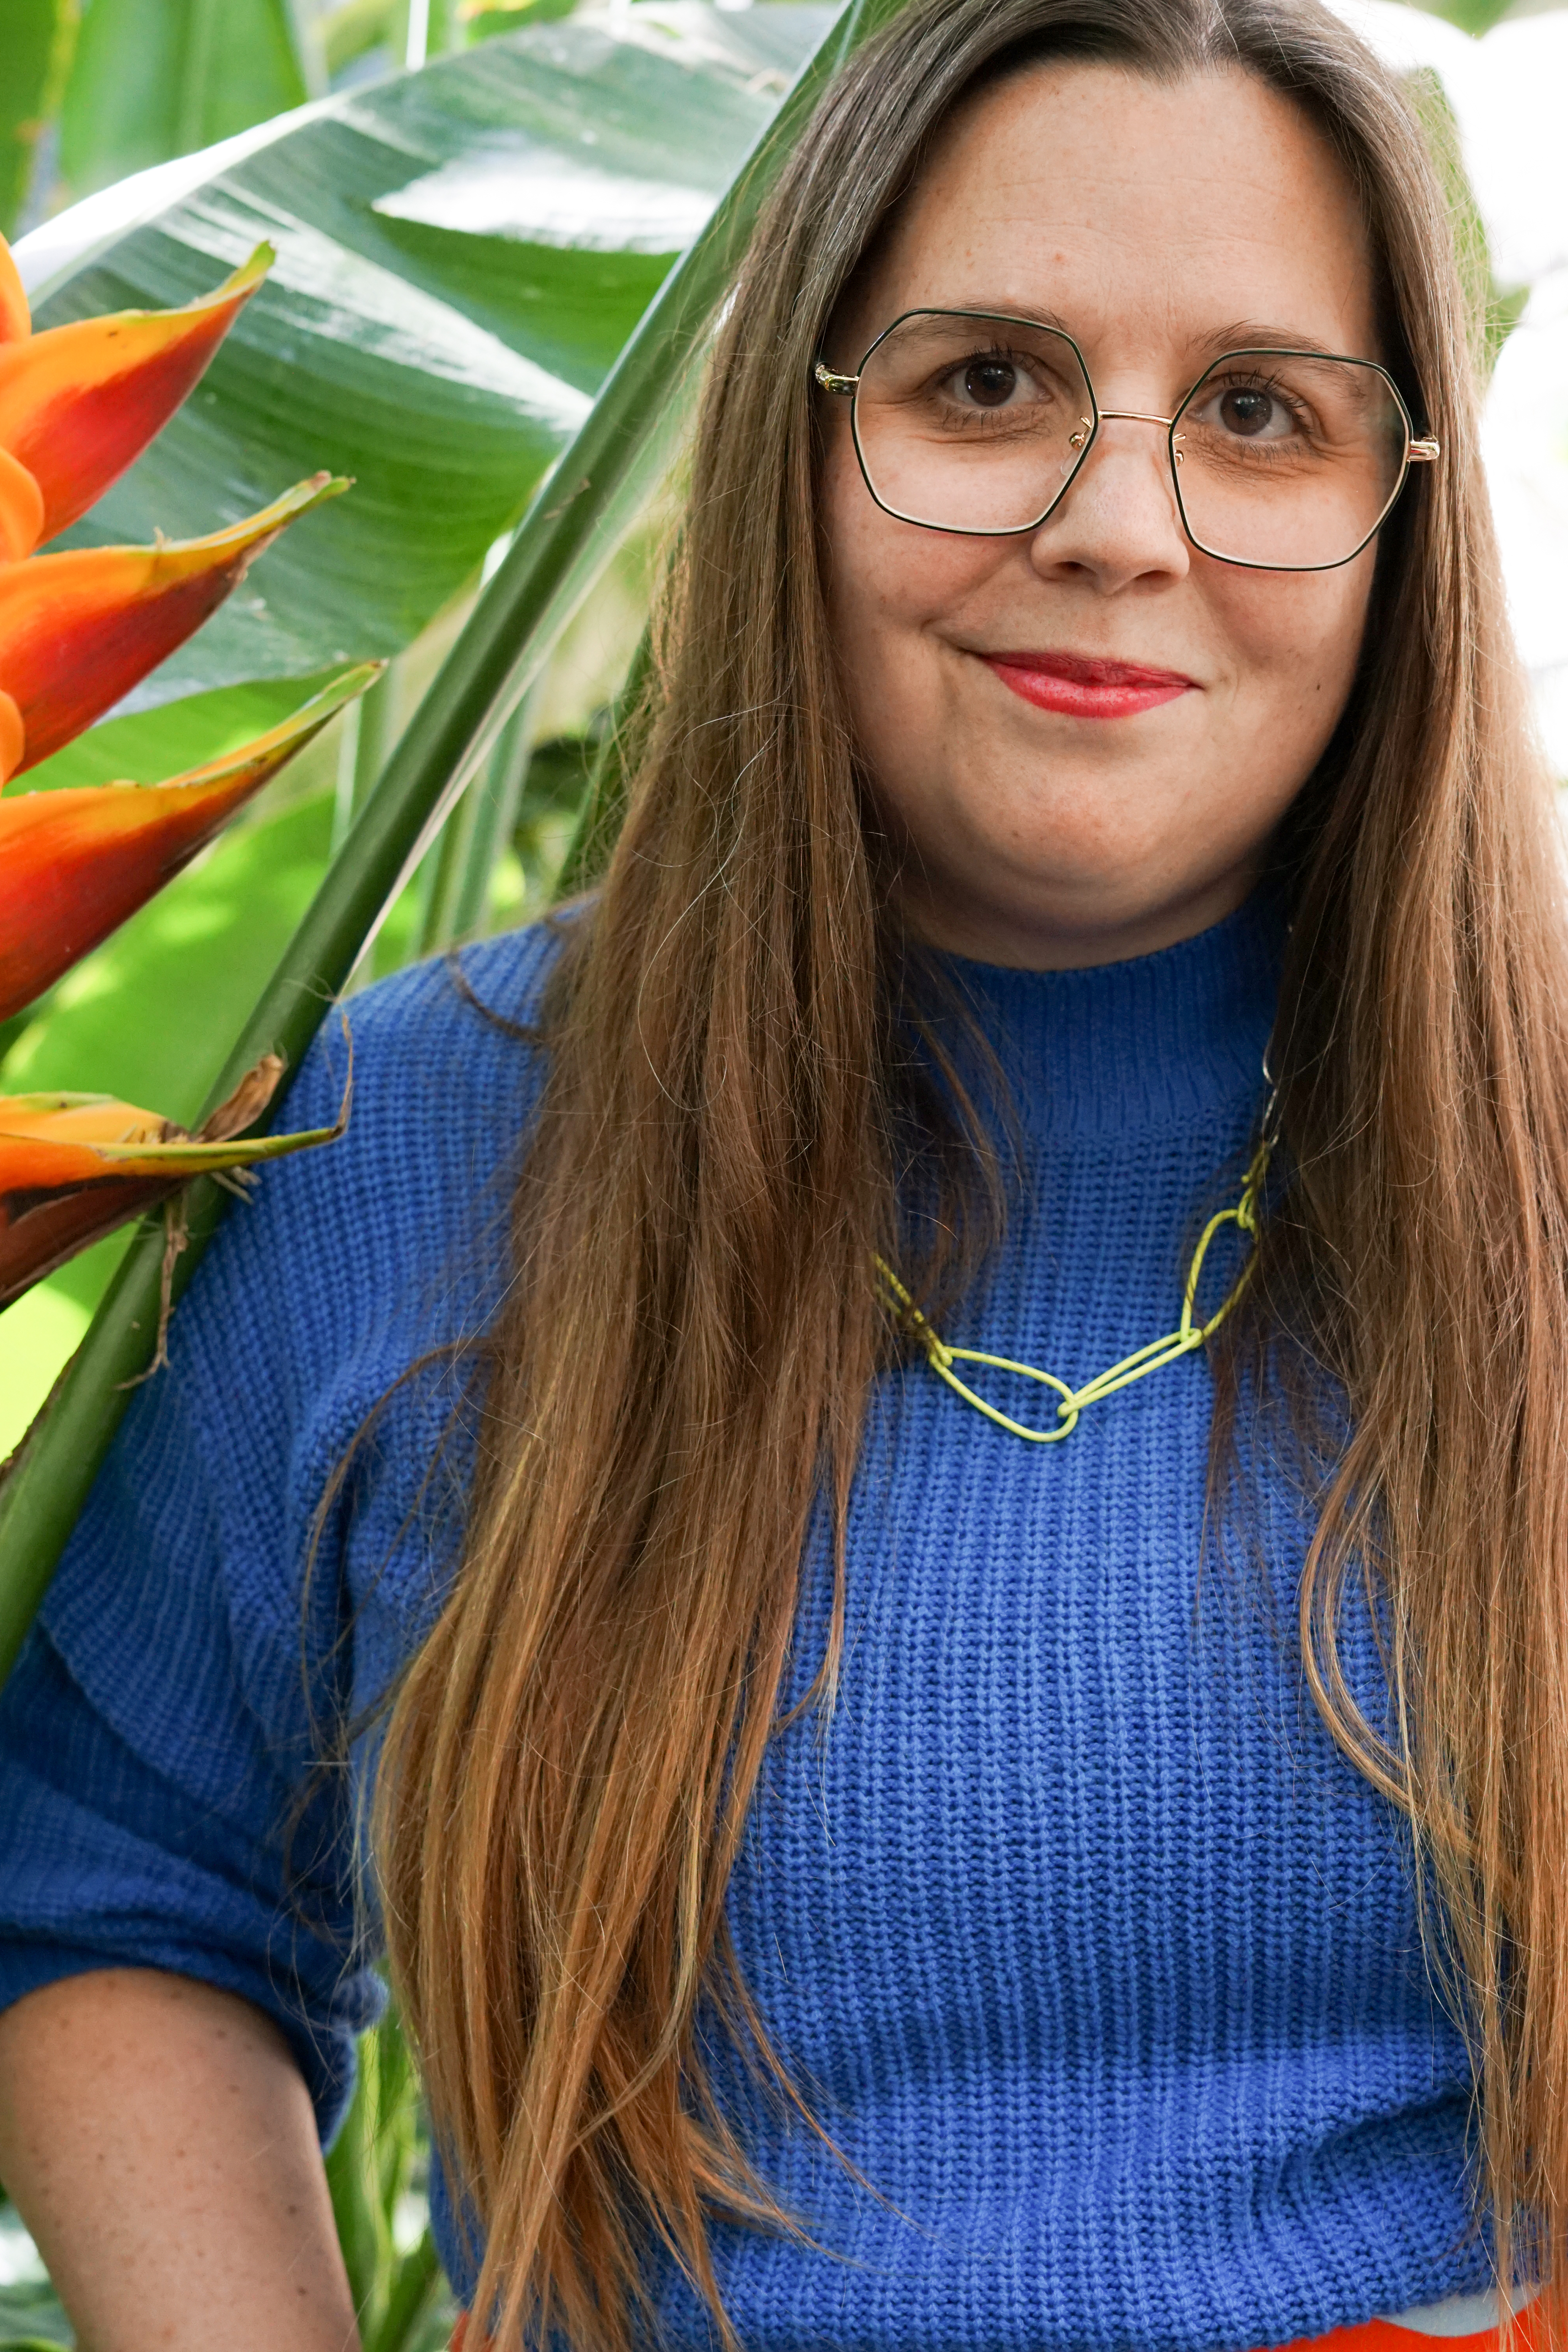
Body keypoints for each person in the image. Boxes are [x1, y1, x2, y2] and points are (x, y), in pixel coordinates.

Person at [1, 0, 1564, 2344]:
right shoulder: (401, 1140)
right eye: (984, 386)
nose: (1115, 524)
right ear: (797, 440)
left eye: (1258, 413)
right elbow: (115, 1884)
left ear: (1404, 503)